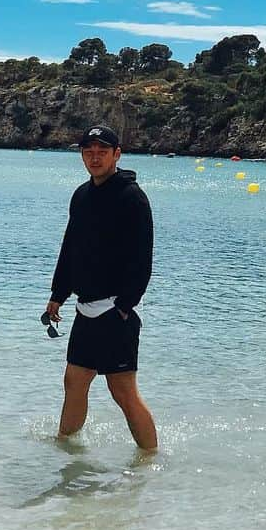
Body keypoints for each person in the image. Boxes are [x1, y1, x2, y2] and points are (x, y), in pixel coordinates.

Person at [44, 124, 157, 451]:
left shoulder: (132, 198)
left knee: (122, 392)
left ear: (116, 154)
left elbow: (142, 259)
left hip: (113, 312)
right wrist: (58, 294)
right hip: (84, 309)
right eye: (88, 151)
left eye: (102, 151)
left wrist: (124, 306)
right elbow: (71, 247)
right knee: (74, 382)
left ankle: (150, 458)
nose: (94, 157)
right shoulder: (81, 195)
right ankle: (65, 448)